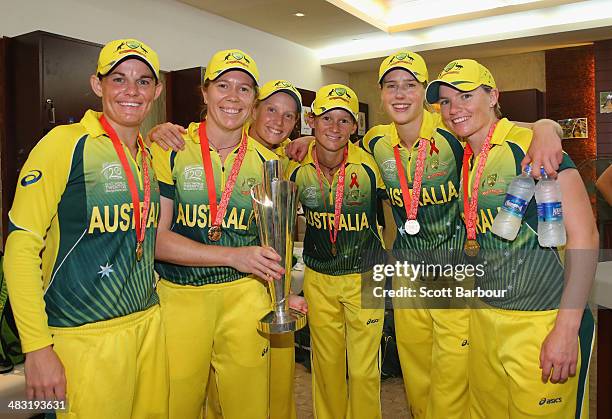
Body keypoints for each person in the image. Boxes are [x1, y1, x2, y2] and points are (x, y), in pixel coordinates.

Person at [285, 50, 565, 419]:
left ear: (423, 94)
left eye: (410, 85)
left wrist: (547, 126)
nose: (400, 94)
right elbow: (336, 145)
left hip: (455, 272)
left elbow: (513, 129)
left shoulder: (453, 130)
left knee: (452, 381)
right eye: (391, 86)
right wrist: (307, 143)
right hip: (405, 273)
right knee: (416, 379)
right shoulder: (375, 142)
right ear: (381, 94)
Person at [3, 39, 167, 418]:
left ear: (156, 91)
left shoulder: (147, 154)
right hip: (81, 336)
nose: (131, 91)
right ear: (98, 84)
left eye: (144, 81)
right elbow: (21, 246)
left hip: (147, 326)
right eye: (118, 79)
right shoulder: (64, 144)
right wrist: (37, 347)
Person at [426, 58, 598, 418]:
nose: (454, 109)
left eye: (465, 95)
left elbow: (585, 237)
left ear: (492, 97)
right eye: (445, 101)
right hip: (486, 320)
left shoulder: (532, 148)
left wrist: (565, 331)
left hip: (541, 322)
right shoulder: (469, 155)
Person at [149, 78, 308, 419]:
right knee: (182, 400)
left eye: (290, 116)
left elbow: (274, 237)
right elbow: (156, 239)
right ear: (204, 92)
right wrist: (155, 132)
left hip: (247, 297)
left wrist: (281, 294)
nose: (279, 122)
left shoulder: (273, 162)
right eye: (223, 86)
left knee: (254, 403)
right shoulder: (173, 146)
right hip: (182, 293)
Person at [286, 84, 387, 419]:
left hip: (366, 275)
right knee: (326, 368)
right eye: (327, 117)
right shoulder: (294, 168)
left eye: (344, 120)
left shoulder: (373, 165)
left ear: (355, 126)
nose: (334, 127)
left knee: (363, 371)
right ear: (311, 121)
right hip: (318, 276)